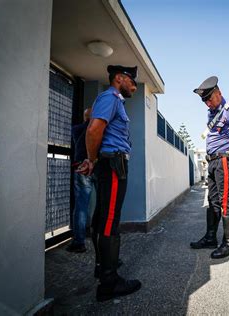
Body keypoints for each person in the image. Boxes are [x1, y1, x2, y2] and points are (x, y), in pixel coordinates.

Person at [77, 64, 141, 302]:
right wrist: (91, 159)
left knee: (102, 217)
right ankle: (109, 281)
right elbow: (94, 129)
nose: (134, 85)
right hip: (112, 164)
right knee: (109, 221)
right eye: (131, 81)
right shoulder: (111, 97)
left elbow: (90, 118)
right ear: (119, 78)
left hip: (110, 163)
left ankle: (101, 266)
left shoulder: (111, 100)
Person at [190, 76, 229, 259]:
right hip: (213, 161)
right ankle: (210, 238)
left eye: (209, 98)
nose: (207, 103)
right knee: (213, 200)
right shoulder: (212, 113)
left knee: (225, 201)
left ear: (219, 93)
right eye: (204, 100)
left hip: (224, 160)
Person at [67, 108, 94, 253]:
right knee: (103, 203)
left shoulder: (76, 129)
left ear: (84, 117)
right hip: (96, 165)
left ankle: (79, 242)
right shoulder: (98, 128)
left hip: (80, 166)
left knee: (81, 205)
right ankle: (100, 238)